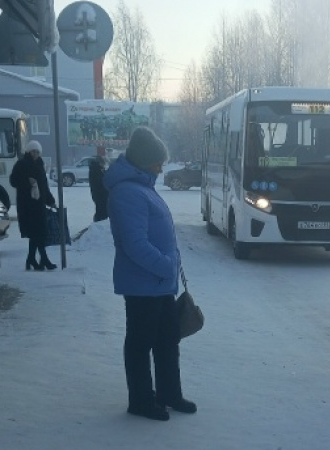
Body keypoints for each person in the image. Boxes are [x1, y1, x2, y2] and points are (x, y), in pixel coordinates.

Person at [104, 126, 196, 422]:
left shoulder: (143, 187)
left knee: (168, 341)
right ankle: (141, 400)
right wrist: (166, 265)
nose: (161, 166)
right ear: (144, 161)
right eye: (158, 161)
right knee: (141, 344)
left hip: (160, 284)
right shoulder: (127, 192)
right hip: (143, 285)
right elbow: (134, 244)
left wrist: (169, 267)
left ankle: (169, 393)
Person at [10, 140, 57, 271]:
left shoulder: (41, 164)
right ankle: (43, 260)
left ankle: (32, 259)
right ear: (28, 151)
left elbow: (44, 186)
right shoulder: (21, 164)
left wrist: (50, 200)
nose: (35, 154)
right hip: (27, 206)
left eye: (37, 152)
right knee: (37, 234)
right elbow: (13, 181)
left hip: (39, 204)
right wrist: (27, 181)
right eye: (33, 151)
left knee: (38, 234)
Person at [89, 147, 109, 222]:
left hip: (97, 195)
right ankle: (99, 223)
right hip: (100, 195)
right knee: (101, 211)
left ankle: (98, 222)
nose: (104, 165)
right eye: (103, 163)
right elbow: (101, 183)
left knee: (100, 210)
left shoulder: (95, 169)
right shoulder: (97, 171)